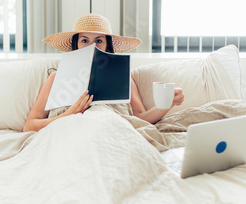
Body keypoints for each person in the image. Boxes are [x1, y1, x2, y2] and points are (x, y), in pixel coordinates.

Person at [23, 13, 185, 132]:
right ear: (76, 44)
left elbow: (141, 119)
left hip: (112, 133)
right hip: (69, 134)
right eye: (85, 40)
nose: (92, 46)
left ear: (107, 46)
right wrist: (69, 114)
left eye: (99, 41)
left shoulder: (123, 78)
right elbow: (29, 126)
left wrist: (167, 103)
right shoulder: (55, 78)